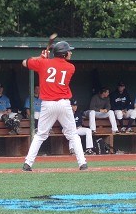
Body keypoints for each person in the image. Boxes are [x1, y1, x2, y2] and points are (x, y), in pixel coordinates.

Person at [21, 41, 87, 171]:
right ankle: (82, 163)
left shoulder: (44, 63)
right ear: (63, 54)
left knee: (40, 135)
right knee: (73, 134)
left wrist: (41, 58)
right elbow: (55, 67)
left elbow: (24, 62)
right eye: (69, 51)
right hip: (64, 104)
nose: (71, 52)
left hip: (47, 104)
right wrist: (45, 60)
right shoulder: (71, 67)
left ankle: (27, 163)